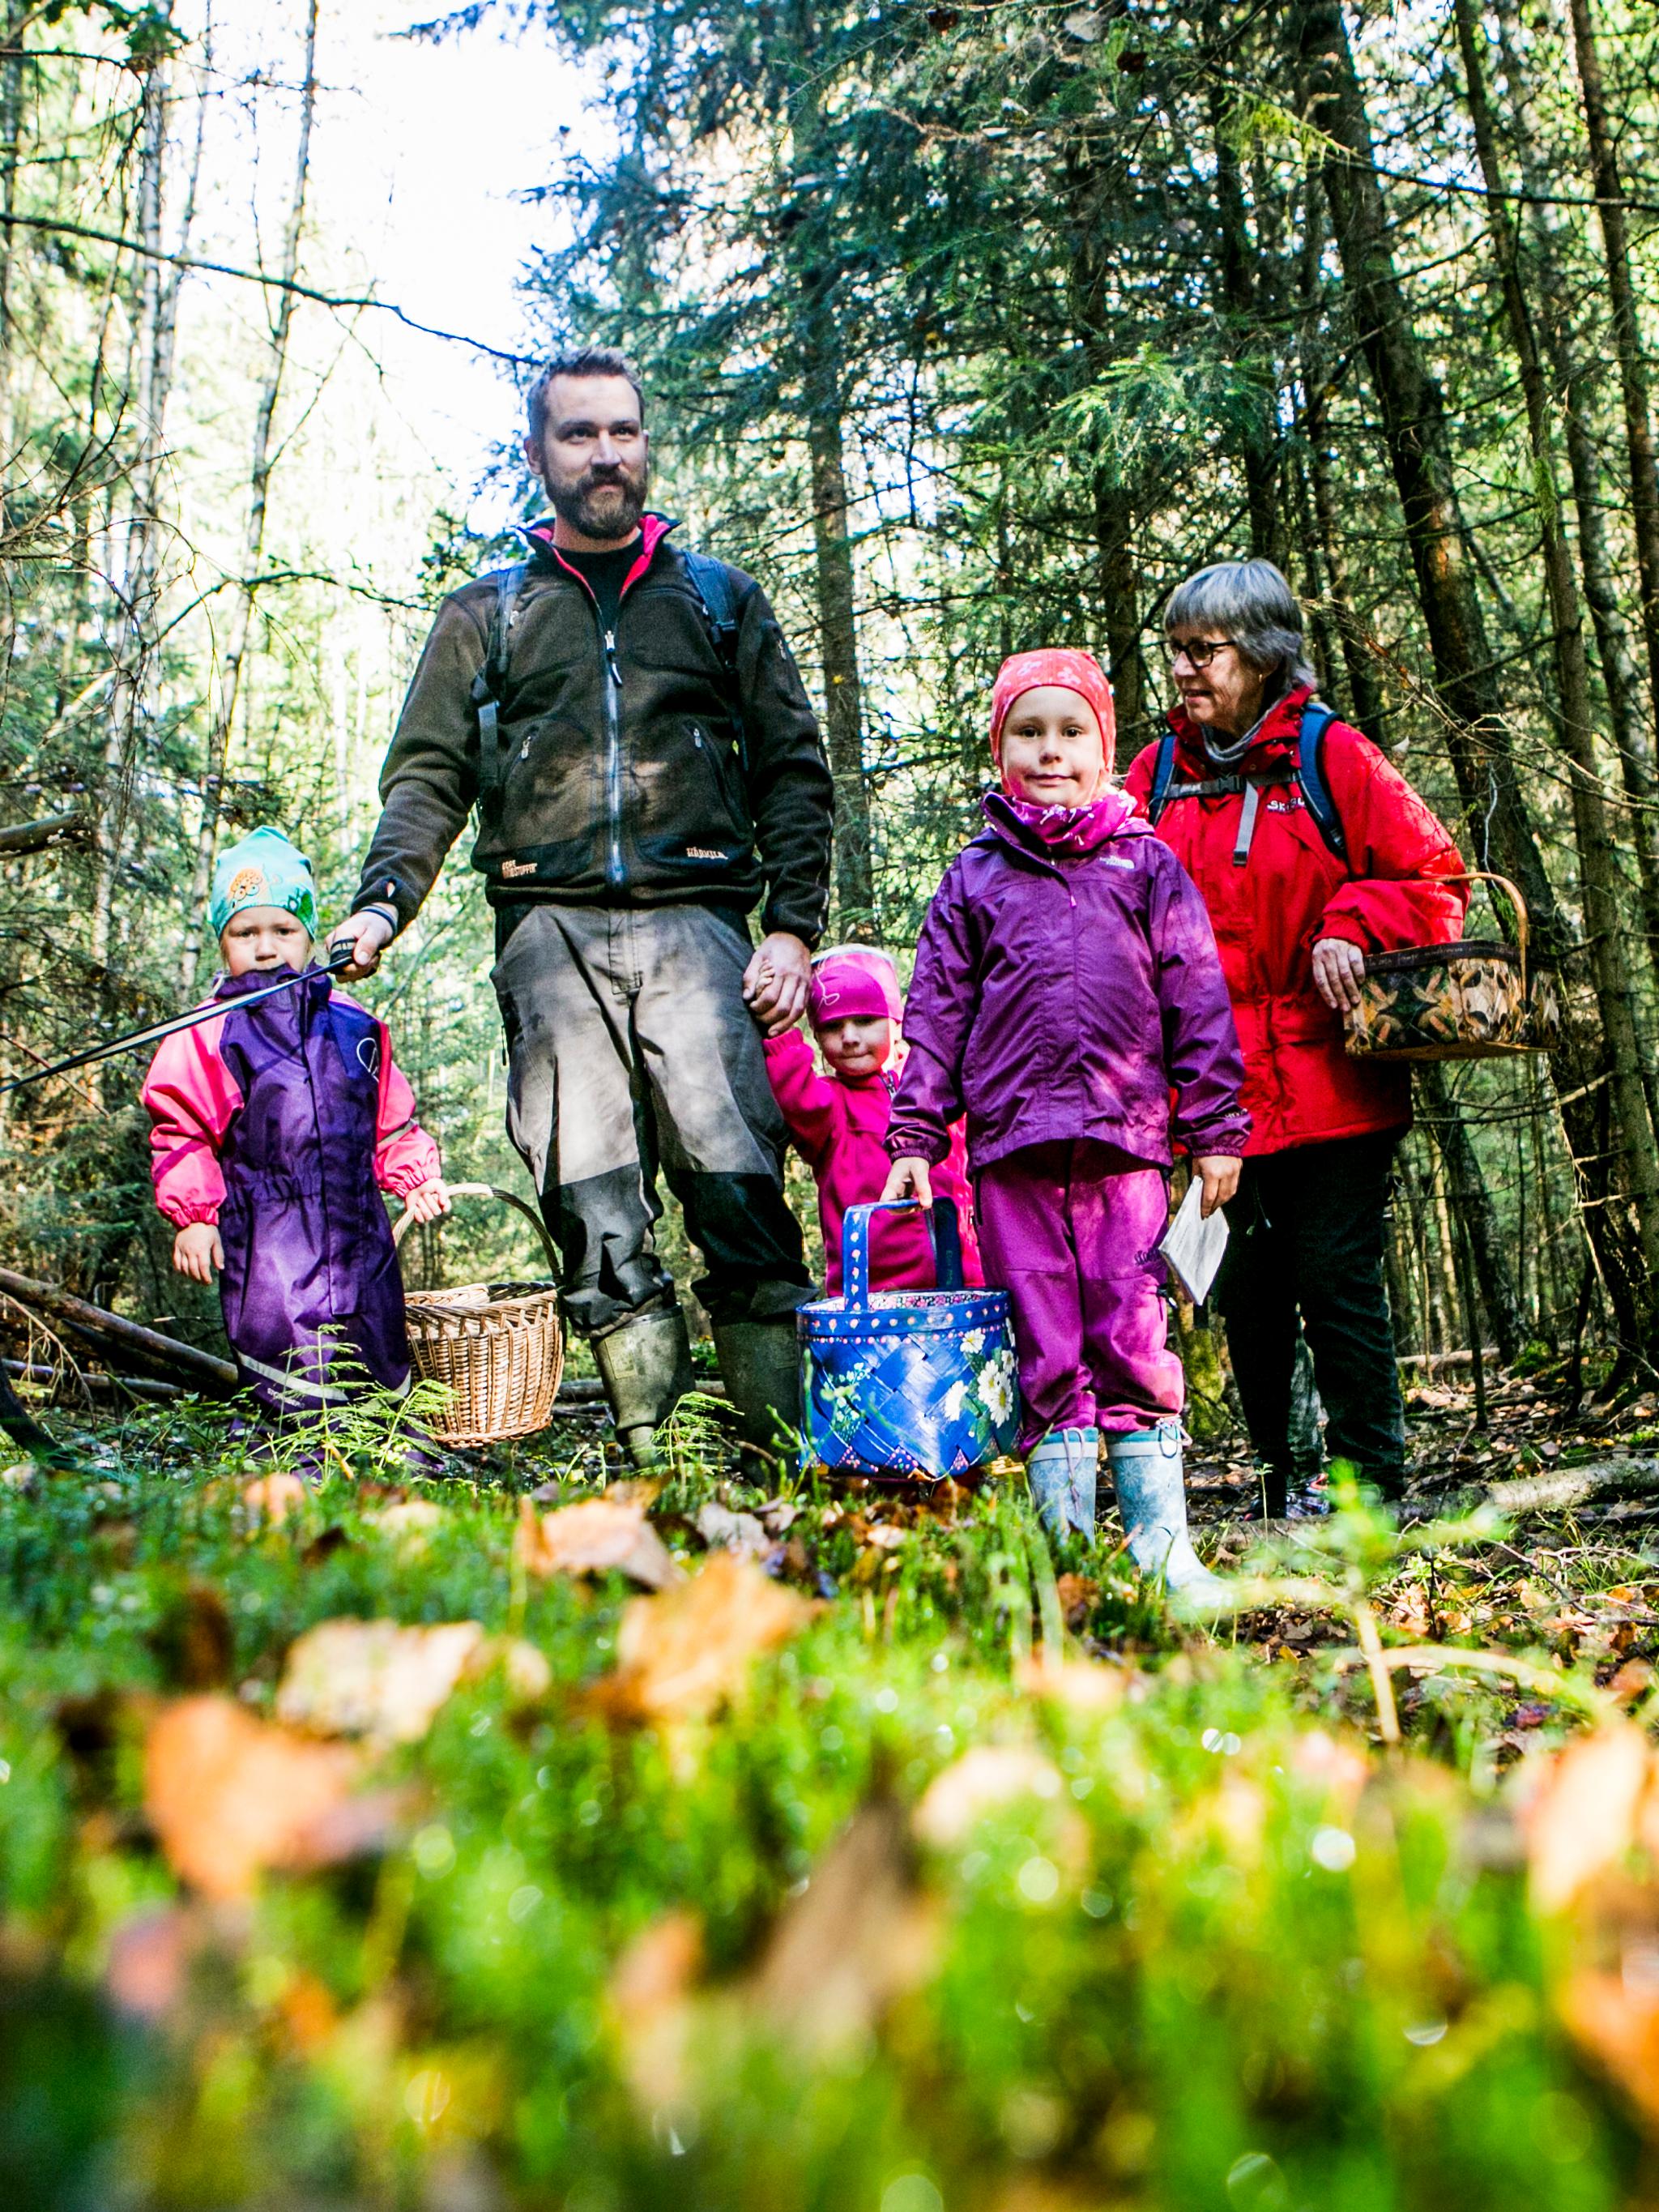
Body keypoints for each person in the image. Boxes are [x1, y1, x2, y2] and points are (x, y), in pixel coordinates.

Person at [325, 346, 834, 1467]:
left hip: (703, 926)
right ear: (537, 454)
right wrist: (379, 906)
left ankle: (778, 1463)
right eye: (579, 434)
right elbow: (427, 776)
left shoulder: (718, 601)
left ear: (645, 444)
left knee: (740, 1196)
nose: (605, 455)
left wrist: (793, 925)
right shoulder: (488, 612)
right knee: (596, 1212)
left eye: (622, 432)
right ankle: (665, 1461)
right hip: (547, 934)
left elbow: (793, 769)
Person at [882, 650, 1249, 1602]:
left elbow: (1196, 1001)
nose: (1050, 751)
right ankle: (1066, 1553)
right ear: (999, 749)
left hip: (1125, 1147)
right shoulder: (973, 879)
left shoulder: (1146, 865)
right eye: (1027, 733)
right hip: (1009, 1152)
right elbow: (932, 1015)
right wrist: (916, 1139)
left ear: (1103, 747)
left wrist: (1213, 1128)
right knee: (1043, 1349)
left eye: (1069, 731)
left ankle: (1161, 1549)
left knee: (1132, 1333)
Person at [1123, 560, 1467, 1514]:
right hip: (1212, 1098)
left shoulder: (1333, 758)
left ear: (1265, 655)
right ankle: (1278, 1484)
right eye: (1175, 652)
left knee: (1337, 1284)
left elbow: (1435, 882)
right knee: (1247, 1297)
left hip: (1333, 1088)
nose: (1185, 671)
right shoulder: (1153, 778)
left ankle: (1368, 1493)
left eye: (1206, 651)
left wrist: (1352, 918)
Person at [142, 826, 450, 1433]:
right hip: (269, 1235)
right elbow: (183, 1129)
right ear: (222, 942)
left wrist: (415, 1177)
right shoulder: (209, 1031)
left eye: (283, 930)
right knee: (285, 1354)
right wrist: (195, 1217)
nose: (265, 948)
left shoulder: (352, 1024)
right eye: (245, 932)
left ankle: (389, 1451)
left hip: (359, 1228)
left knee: (376, 1341)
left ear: (310, 937)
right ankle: (292, 1457)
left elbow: (390, 1119)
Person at [764, 943, 983, 1295]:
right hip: (873, 1300)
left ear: (896, 1023)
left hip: (965, 1281)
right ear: (818, 1038)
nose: (850, 1038)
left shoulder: (934, 1089)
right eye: (834, 1027)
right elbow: (795, 1096)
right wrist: (778, 1030)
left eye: (865, 1021)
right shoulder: (831, 1105)